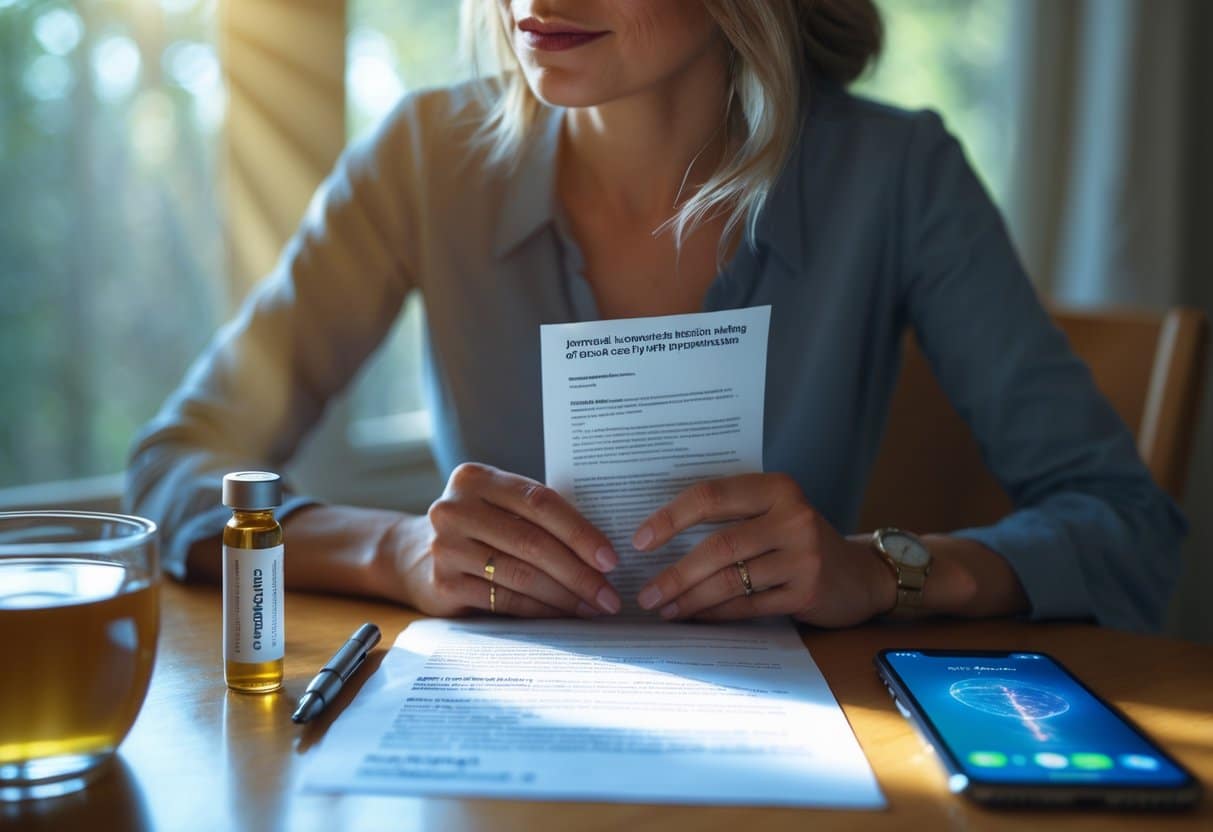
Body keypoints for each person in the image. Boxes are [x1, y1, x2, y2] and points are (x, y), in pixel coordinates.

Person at [125, 0, 1185, 632]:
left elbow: (1127, 529)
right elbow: (175, 464)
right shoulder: (421, 157)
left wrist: (882, 569)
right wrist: (389, 551)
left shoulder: (898, 175)